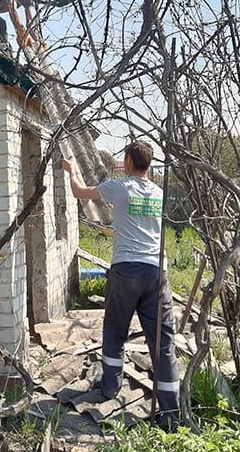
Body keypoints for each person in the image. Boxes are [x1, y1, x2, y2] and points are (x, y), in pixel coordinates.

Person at [61, 141, 180, 427]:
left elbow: (81, 194)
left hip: (127, 268)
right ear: (149, 164)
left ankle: (110, 387)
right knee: (162, 341)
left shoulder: (120, 187)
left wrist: (71, 170)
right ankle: (170, 411)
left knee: (115, 330)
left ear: (128, 161)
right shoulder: (160, 193)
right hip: (156, 272)